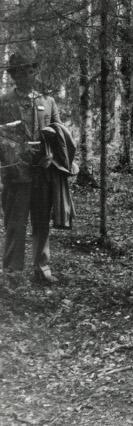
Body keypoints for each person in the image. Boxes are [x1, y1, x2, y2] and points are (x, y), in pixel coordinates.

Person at [0, 47, 62, 284]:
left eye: (29, 71)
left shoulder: (48, 101)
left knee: (41, 223)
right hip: (15, 173)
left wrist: (51, 154)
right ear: (14, 75)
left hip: (42, 174)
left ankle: (42, 270)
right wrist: (15, 150)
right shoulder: (3, 102)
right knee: (15, 224)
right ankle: (12, 274)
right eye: (20, 72)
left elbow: (60, 134)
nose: (26, 76)